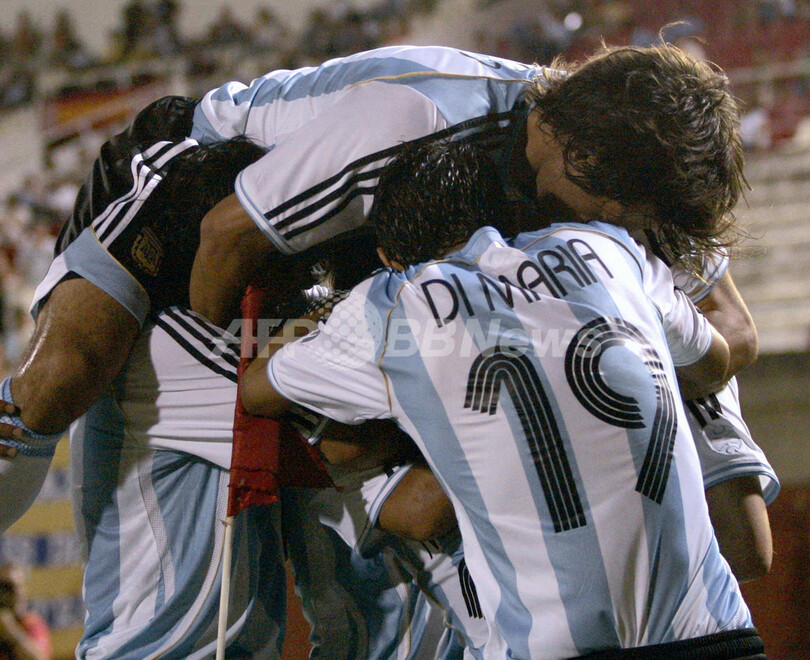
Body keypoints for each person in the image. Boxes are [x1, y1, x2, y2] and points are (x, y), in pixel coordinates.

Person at [240, 139, 765, 658]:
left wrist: (321, 315)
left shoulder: (389, 307)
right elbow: (713, 361)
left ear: (387, 258)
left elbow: (258, 388)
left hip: (552, 649)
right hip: (716, 635)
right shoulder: (605, 247)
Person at [0, 563, 51, 660]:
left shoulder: (31, 623)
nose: (11, 594)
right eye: (4, 587)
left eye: (14, 587)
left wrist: (10, 630)